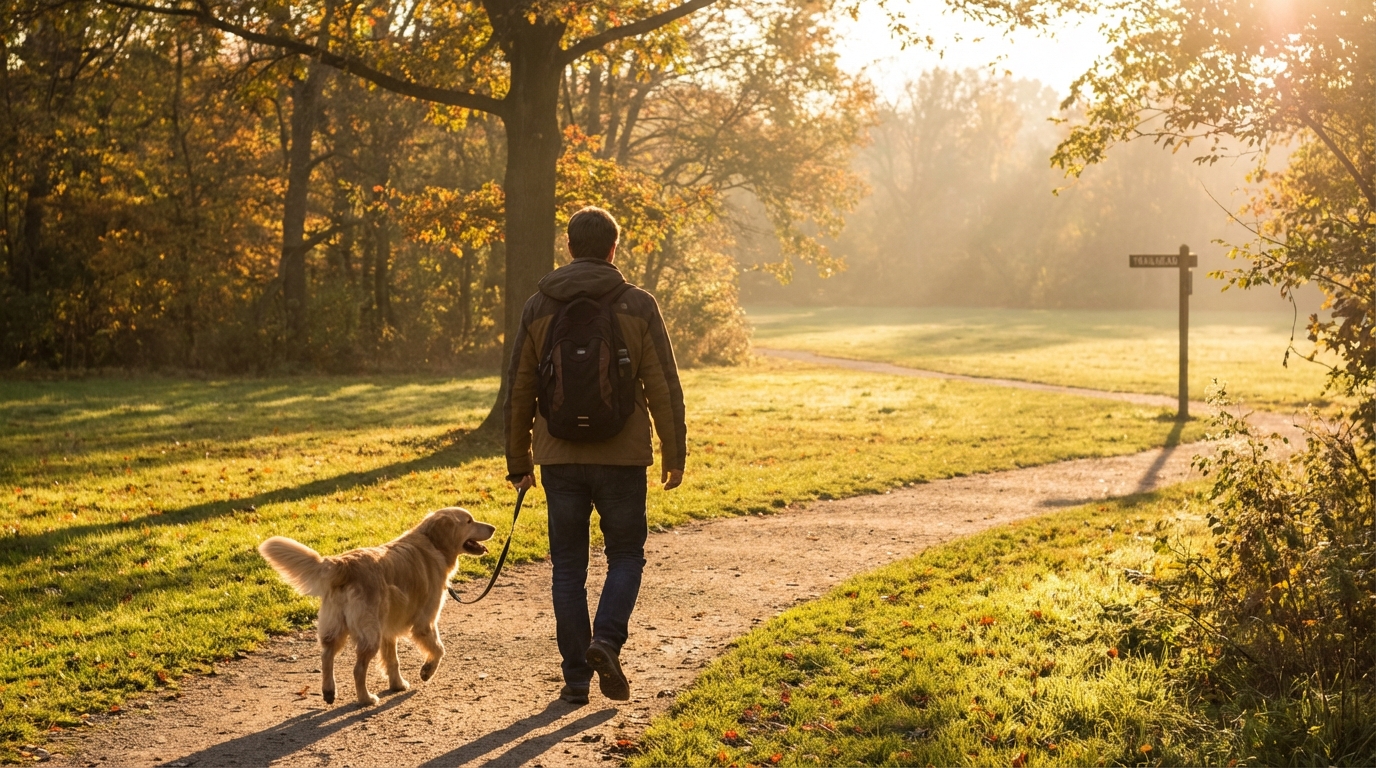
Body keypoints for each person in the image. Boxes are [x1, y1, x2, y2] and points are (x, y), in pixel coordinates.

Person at [503, 206, 686, 705]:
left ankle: (576, 678)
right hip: (622, 455)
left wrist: (518, 461)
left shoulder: (539, 305)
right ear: (613, 249)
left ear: (568, 247)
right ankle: (605, 640)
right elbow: (662, 383)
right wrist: (675, 452)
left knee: (568, 567)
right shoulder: (637, 303)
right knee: (625, 554)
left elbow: (519, 387)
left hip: (558, 457)